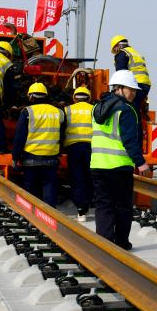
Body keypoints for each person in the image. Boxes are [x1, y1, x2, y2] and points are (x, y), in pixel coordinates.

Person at [91, 70, 150, 250]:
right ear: (118, 88)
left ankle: (104, 244)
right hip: (119, 167)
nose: (133, 93)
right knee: (123, 206)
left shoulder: (96, 108)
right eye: (130, 89)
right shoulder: (126, 110)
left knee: (104, 205)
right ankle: (121, 243)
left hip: (98, 165)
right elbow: (130, 140)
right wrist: (141, 163)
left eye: (134, 90)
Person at [12, 82, 64, 206]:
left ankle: (32, 215)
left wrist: (15, 156)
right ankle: (50, 214)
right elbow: (62, 135)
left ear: (31, 97)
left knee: (31, 192)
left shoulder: (27, 112)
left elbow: (20, 136)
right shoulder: (58, 112)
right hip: (51, 158)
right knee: (50, 189)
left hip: (30, 158)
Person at [63, 86, 95, 222]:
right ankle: (93, 202)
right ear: (89, 98)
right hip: (92, 147)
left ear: (74, 98)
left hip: (74, 148)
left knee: (77, 178)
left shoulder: (67, 110)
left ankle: (81, 209)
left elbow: (61, 128)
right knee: (92, 176)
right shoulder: (94, 109)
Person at [109, 34, 152, 116]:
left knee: (128, 108)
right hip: (145, 84)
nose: (115, 51)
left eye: (114, 49)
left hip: (134, 85)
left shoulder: (122, 53)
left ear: (117, 45)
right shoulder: (135, 52)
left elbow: (121, 73)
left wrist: (115, 88)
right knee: (136, 108)